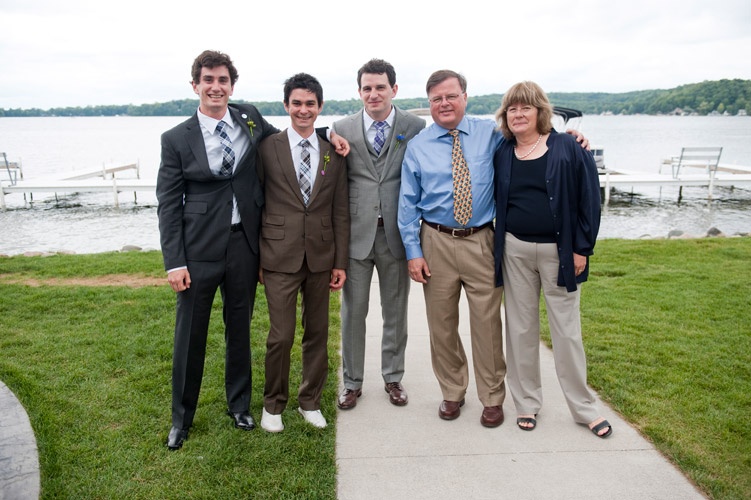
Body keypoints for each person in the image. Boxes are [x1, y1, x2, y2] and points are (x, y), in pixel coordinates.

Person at [157, 51, 348, 450]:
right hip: (198, 249)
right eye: (208, 80)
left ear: (232, 85)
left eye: (223, 80)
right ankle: (181, 418)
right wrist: (174, 261)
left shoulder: (248, 117)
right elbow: (168, 204)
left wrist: (328, 132)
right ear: (195, 85)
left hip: (244, 244)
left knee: (239, 329)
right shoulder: (175, 138)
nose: (216, 87)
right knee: (190, 334)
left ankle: (240, 405)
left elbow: (292, 136)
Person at [492, 81, 612, 438]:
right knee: (520, 330)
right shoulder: (503, 150)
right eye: (512, 109)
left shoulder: (568, 147)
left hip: (560, 253)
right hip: (514, 250)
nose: (518, 114)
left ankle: (584, 407)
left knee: (566, 332)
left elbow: (589, 199)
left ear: (540, 112)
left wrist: (581, 248)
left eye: (525, 107)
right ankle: (527, 402)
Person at [398, 70, 507, 427]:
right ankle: (452, 390)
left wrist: (571, 138)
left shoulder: (490, 134)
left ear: (465, 97)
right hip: (436, 241)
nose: (444, 104)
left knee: (487, 324)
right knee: (441, 325)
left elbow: (530, 139)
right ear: (429, 104)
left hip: (481, 240)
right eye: (436, 99)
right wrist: (413, 252)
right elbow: (407, 204)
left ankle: (492, 397)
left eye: (450, 96)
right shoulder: (418, 146)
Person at [257, 73, 349, 433]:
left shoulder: (333, 151)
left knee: (317, 333)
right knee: (281, 335)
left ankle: (309, 401)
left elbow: (340, 209)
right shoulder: (267, 147)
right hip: (278, 255)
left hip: (321, 256)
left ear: (320, 106)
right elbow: (256, 202)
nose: (303, 110)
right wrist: (257, 258)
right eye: (296, 103)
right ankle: (273, 404)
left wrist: (339, 261)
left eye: (310, 103)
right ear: (286, 105)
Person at [331, 59, 425, 410]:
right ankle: (352, 382)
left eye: (380, 87)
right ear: (359, 92)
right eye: (367, 88)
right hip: (356, 235)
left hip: (396, 234)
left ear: (393, 89)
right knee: (354, 314)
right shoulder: (341, 127)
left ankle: (393, 377)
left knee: (395, 312)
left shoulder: (415, 126)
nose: (373, 94)